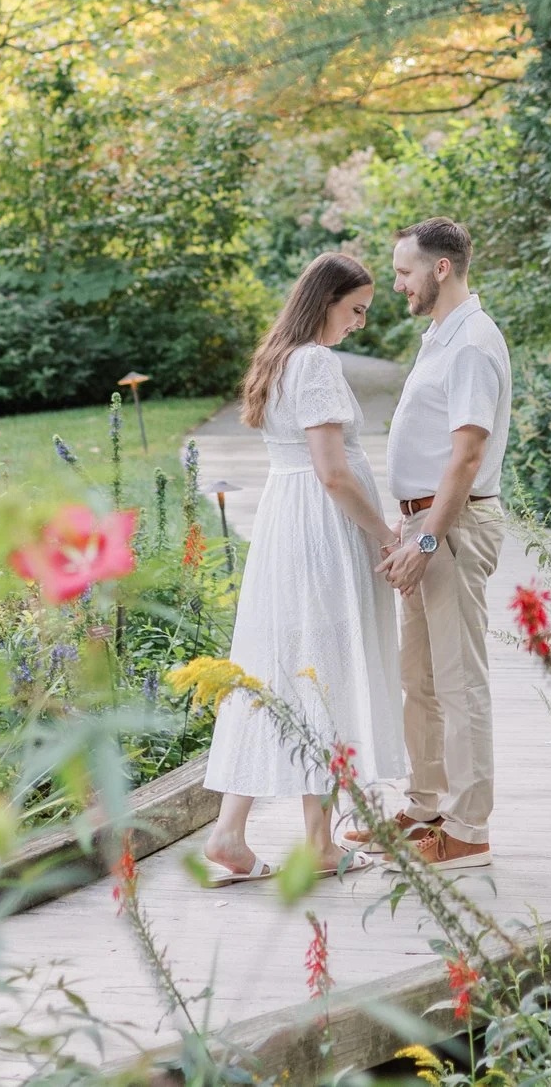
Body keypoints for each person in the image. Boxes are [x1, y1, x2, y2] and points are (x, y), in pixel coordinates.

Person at [199, 251, 405, 884]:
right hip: (322, 529)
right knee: (322, 671)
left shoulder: (279, 358)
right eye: (356, 310)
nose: (360, 324)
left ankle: (232, 832)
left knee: (284, 670)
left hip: (288, 525)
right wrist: (385, 532)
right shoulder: (314, 362)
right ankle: (315, 843)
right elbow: (333, 472)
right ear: (327, 301)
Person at [361, 217, 510, 871]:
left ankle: (469, 829)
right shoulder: (440, 337)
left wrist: (426, 536)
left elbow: (467, 454)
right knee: (417, 679)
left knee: (457, 679)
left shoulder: (473, 342)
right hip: (420, 525)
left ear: (440, 268)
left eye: (403, 271)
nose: (398, 284)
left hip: (448, 527)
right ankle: (428, 807)